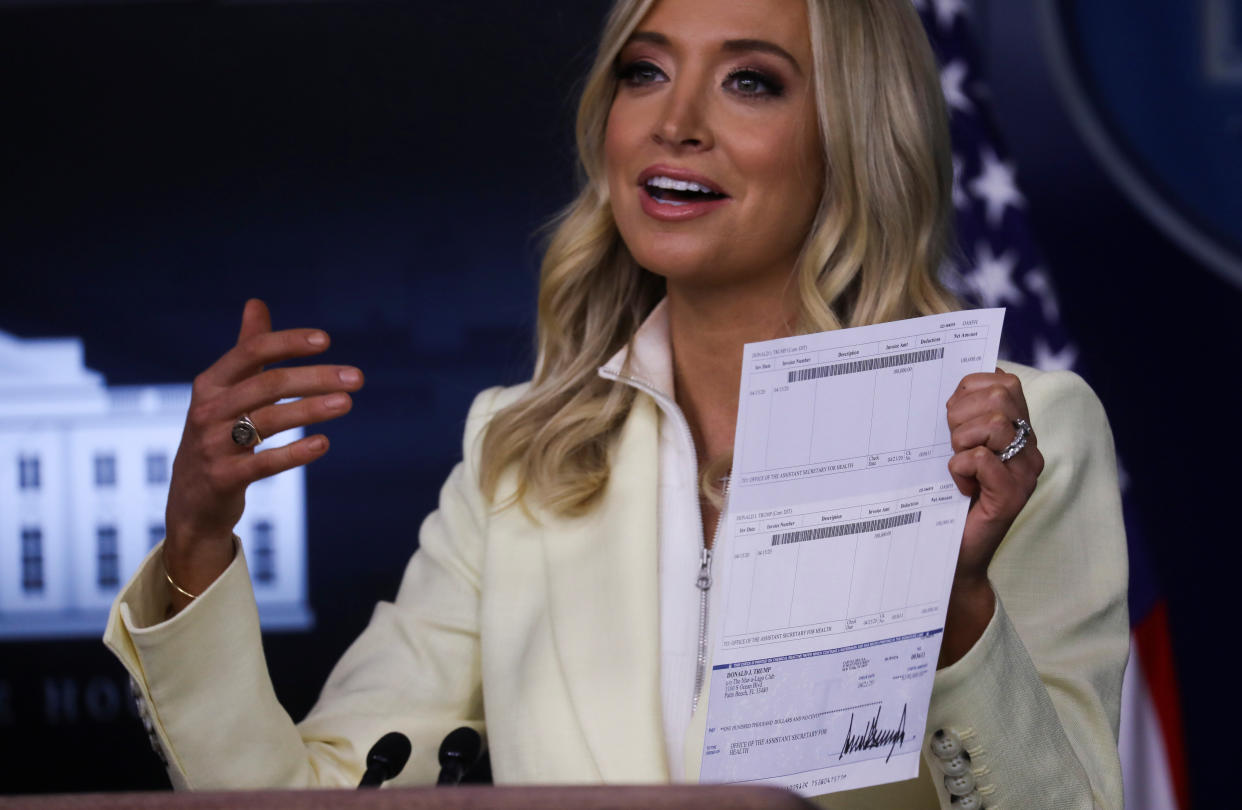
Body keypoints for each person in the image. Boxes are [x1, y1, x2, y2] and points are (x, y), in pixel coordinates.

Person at [104, 0, 1128, 807]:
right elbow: (314, 803)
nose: (676, 123)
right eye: (644, 70)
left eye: (750, 82)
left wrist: (953, 611)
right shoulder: (518, 458)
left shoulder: (1009, 436)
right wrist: (195, 546)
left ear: (853, 135)